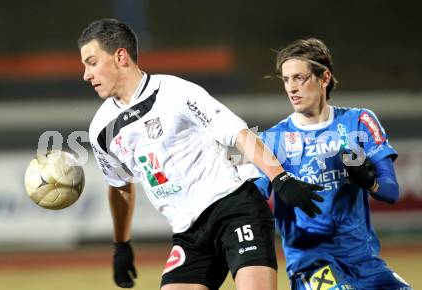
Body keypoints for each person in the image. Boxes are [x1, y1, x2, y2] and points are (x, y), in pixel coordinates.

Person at [78, 19, 324, 290]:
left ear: (120, 56)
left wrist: (280, 178)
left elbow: (238, 134)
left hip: (234, 209)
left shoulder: (174, 92)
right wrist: (121, 245)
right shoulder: (100, 129)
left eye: (92, 62)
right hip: (189, 234)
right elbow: (121, 185)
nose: (86, 74)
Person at [254, 38, 413, 289]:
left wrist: (369, 182)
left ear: (324, 77)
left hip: (364, 261)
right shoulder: (273, 140)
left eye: (299, 78)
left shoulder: (358, 121)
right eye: (286, 80)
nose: (291, 88)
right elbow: (252, 197)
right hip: (311, 264)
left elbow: (391, 191)